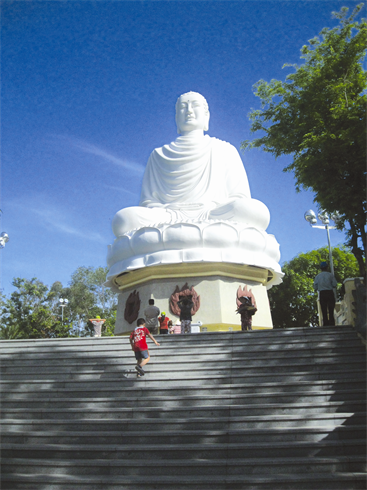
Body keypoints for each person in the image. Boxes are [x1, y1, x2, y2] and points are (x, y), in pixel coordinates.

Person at [112, 91, 270, 237]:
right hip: (169, 216)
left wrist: (213, 208)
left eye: (195, 106)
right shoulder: (158, 155)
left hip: (212, 213)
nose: (188, 111)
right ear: (176, 117)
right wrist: (165, 211)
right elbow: (149, 202)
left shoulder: (224, 149)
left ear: (206, 115)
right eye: (182, 107)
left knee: (254, 211)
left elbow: (239, 197)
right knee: (124, 220)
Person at [313, 261, 337, 326]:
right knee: (331, 308)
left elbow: (315, 287)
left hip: (322, 293)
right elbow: (334, 284)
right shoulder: (330, 275)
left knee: (324, 309)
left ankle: (325, 323)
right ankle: (332, 322)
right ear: (327, 267)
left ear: (321, 268)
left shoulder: (317, 277)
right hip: (329, 292)